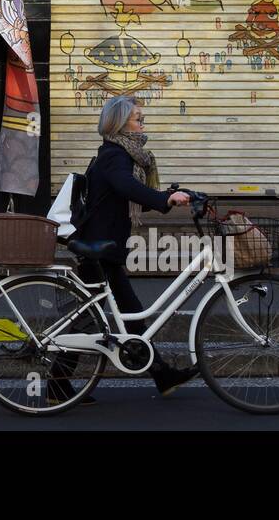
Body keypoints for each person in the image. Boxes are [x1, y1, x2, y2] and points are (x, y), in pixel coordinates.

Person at [49, 95, 198, 402]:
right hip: (97, 247)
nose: (142, 121)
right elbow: (125, 186)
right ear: (119, 123)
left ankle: (159, 373)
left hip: (105, 246)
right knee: (90, 317)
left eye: (142, 116)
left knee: (127, 313)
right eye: (137, 117)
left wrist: (166, 195)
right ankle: (57, 383)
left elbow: (129, 193)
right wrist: (164, 200)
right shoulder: (115, 155)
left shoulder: (119, 154)